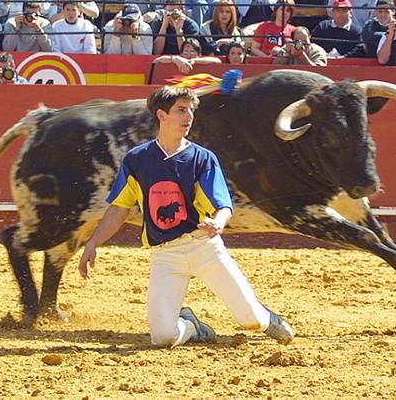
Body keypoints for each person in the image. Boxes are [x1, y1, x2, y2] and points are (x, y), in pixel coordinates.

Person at [78, 85, 295, 348]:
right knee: (163, 337)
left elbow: (223, 205)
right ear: (162, 115)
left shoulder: (202, 158)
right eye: (181, 110)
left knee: (250, 321)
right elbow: (119, 208)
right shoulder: (137, 160)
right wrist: (92, 243)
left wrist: (218, 222)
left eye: (190, 110)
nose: (189, 116)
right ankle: (193, 327)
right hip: (165, 255)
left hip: (204, 247)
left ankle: (266, 318)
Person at [153, 37, 221, 72]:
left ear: (199, 54)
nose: (189, 55)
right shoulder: (177, 60)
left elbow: (218, 61)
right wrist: (174, 59)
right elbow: (157, 60)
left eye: (192, 52)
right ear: (181, 54)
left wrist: (194, 61)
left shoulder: (200, 60)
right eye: (186, 52)